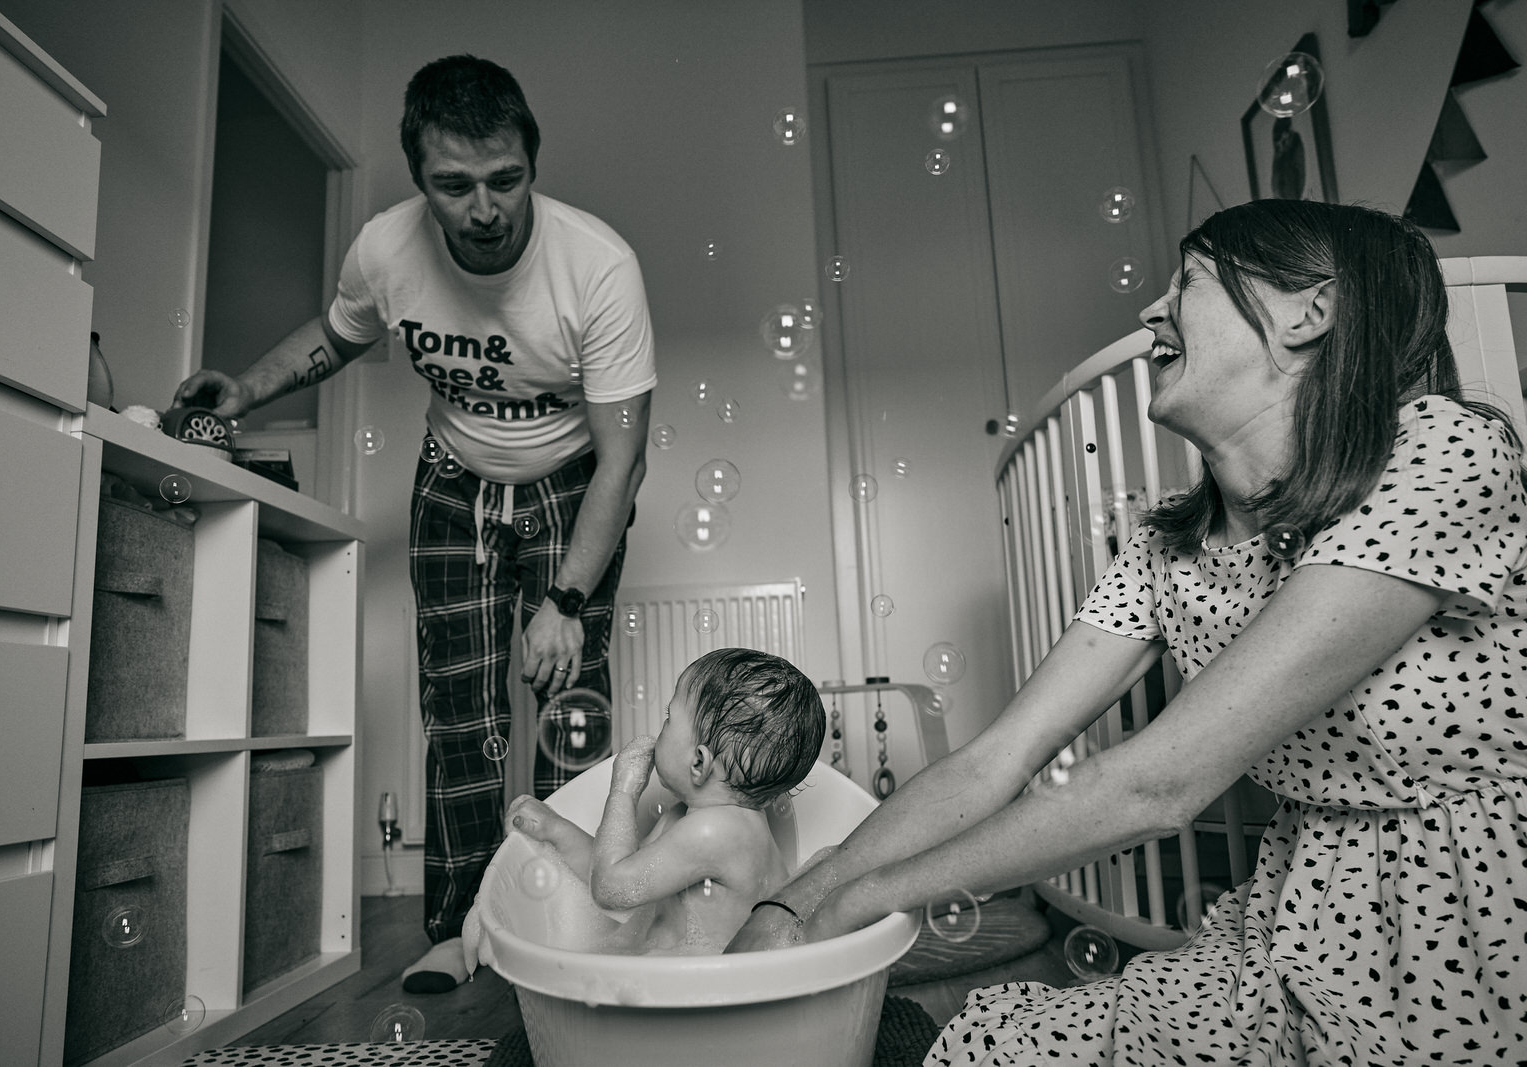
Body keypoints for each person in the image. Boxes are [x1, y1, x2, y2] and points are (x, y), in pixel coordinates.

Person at [729, 199, 1527, 1065]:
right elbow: (996, 758)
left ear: (1310, 311)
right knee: (989, 1048)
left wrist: (867, 899)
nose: (1153, 311)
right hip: (1299, 910)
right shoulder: (1165, 546)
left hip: (1474, 910)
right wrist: (791, 903)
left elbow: (1159, 781)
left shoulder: (1443, 452)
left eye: (1188, 281)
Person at [171, 55, 656, 994]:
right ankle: (464, 926)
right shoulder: (386, 250)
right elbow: (331, 336)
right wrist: (246, 389)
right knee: (460, 707)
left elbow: (622, 455)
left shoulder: (600, 268)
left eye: (506, 179)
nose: (485, 209)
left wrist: (564, 597)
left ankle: (572, 920)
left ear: (531, 164)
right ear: (419, 180)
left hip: (573, 480)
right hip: (451, 479)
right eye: (455, 184)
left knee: (568, 705)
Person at [465, 647, 826, 967]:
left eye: (670, 718)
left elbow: (611, 890)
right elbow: (627, 877)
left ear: (698, 763)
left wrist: (623, 791)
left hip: (709, 987)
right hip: (684, 968)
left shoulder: (715, 831)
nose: (660, 728)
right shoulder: (693, 818)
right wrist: (556, 830)